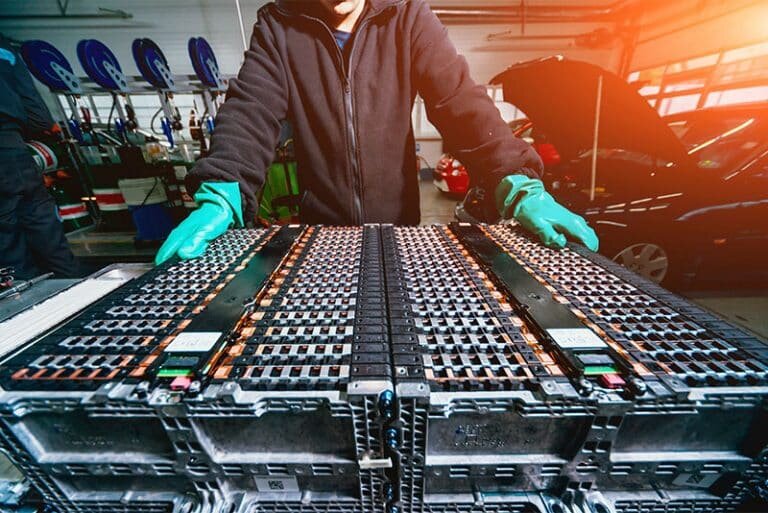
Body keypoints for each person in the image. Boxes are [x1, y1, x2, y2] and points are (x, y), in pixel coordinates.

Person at [156, 0, 598, 264]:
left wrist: (516, 179)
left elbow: (460, 102)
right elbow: (251, 109)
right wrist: (223, 188)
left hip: (398, 234)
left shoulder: (408, 16)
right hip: (322, 240)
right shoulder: (279, 25)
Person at [0, 34, 79, 280]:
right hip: (17, 152)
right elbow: (37, 114)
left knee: (8, 247)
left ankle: (25, 297)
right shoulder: (4, 45)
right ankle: (75, 290)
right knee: (48, 235)